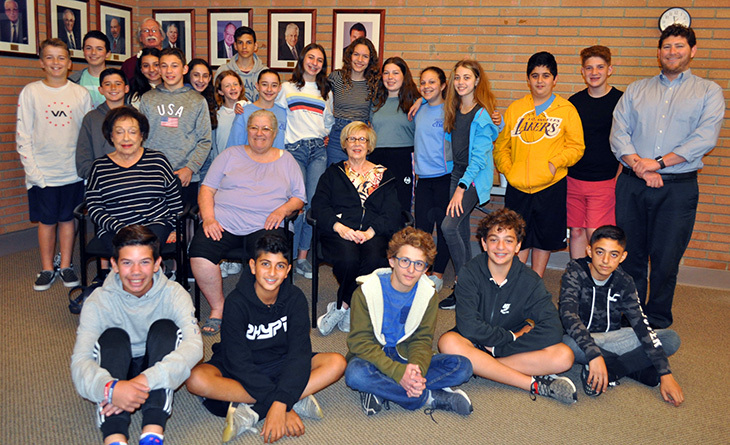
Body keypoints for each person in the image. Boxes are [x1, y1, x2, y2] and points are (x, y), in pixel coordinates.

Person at [609, 24, 724, 329]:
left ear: (692, 51)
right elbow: (619, 133)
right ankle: (629, 314)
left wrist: (656, 164)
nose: (672, 52)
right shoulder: (637, 89)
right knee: (629, 255)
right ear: (659, 52)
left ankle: (657, 318)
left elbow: (704, 138)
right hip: (633, 185)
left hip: (677, 188)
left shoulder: (708, 91)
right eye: (667, 47)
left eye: (679, 46)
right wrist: (640, 166)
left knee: (665, 258)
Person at [186, 233, 346, 443]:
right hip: (240, 367)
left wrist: (279, 403)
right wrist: (281, 403)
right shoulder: (236, 303)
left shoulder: (295, 298)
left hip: (281, 362)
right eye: (265, 264)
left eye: (280, 266)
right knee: (196, 379)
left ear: (288, 269)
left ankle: (255, 411)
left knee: (337, 362)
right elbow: (238, 361)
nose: (272, 273)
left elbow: (298, 354)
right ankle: (292, 398)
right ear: (253, 266)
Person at [70, 225, 203, 445]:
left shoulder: (174, 294)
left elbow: (194, 347)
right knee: (112, 337)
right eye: (127, 263)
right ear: (114, 265)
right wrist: (111, 388)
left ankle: (152, 432)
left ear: (157, 264)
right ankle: (114, 437)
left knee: (166, 329)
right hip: (117, 364)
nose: (136, 272)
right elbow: (80, 361)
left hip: (156, 363)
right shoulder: (97, 301)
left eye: (144, 262)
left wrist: (144, 380)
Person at [438, 209, 577, 404]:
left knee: (564, 356)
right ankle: (532, 383)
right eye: (494, 240)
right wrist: (507, 337)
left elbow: (553, 328)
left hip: (508, 347)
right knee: (447, 342)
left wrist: (499, 349)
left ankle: (484, 368)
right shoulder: (469, 273)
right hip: (474, 340)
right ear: (484, 244)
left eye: (509, 241)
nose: (501, 247)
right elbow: (468, 326)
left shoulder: (530, 281)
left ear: (518, 246)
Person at [188, 109, 305, 336]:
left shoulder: (287, 159)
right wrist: (209, 218)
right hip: (223, 221)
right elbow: (207, 189)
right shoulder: (229, 154)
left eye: (265, 129)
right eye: (254, 127)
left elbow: (299, 198)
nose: (259, 133)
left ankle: (254, 310)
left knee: (266, 260)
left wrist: (282, 210)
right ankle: (218, 308)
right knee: (200, 253)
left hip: (266, 225)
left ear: (274, 133)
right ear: (247, 130)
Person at [345, 227, 474, 416]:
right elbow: (359, 342)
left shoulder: (428, 295)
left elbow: (422, 340)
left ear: (426, 268)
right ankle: (427, 397)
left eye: (419, 264)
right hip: (372, 357)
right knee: (354, 374)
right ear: (392, 261)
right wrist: (399, 373)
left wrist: (415, 372)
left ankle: (382, 390)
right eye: (404, 261)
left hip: (406, 356)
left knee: (463, 367)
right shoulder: (366, 292)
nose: (411, 270)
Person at [559, 225, 684, 406]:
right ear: (589, 251)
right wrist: (594, 354)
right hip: (581, 339)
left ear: (623, 257)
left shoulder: (624, 281)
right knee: (565, 345)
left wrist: (666, 374)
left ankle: (613, 371)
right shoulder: (575, 272)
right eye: (600, 252)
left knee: (671, 338)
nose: (605, 260)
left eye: (614, 255)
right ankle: (634, 370)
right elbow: (568, 316)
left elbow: (641, 323)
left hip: (613, 339)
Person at [493, 51, 585, 277]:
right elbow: (501, 146)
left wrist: (555, 164)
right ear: (528, 79)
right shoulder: (516, 109)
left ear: (555, 79)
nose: (540, 81)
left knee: (543, 238)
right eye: (535, 75)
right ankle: (514, 283)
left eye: (546, 75)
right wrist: (508, 169)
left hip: (550, 186)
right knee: (516, 237)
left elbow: (576, 147)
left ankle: (535, 281)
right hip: (518, 187)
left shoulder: (566, 110)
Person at [310, 122, 401, 336]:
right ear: (344, 144)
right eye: (352, 139)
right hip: (340, 232)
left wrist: (370, 231)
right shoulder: (333, 173)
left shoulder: (384, 175)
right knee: (348, 260)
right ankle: (353, 305)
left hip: (373, 233)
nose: (357, 144)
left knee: (374, 259)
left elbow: (393, 211)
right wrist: (339, 227)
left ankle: (343, 306)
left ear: (370, 145)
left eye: (362, 139)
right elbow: (319, 205)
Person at [16, 38, 91, 291]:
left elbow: (86, 135)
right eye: (50, 57)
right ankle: (47, 268)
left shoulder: (79, 94)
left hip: (72, 172)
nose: (56, 62)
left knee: (68, 220)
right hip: (43, 174)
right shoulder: (31, 92)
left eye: (61, 58)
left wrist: (84, 170)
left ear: (69, 64)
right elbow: (23, 135)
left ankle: (66, 265)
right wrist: (33, 172)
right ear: (41, 62)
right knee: (47, 221)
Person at [438, 60, 501, 310]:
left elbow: (478, 159)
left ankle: (463, 283)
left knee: (448, 226)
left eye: (467, 77)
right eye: (457, 77)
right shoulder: (453, 109)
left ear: (476, 81)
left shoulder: (483, 115)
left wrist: (461, 188)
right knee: (461, 228)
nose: (461, 82)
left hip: (473, 178)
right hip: (457, 173)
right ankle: (469, 287)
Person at [86, 106, 183, 256]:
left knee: (142, 251)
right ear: (111, 136)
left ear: (141, 135)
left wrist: (177, 228)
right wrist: (119, 227)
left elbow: (173, 199)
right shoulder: (99, 167)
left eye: (132, 132)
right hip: (114, 228)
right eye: (119, 132)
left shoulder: (158, 160)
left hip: (155, 224)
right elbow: (94, 207)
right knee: (127, 254)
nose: (126, 138)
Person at [275, 43, 334, 281]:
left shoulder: (325, 91)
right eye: (311, 57)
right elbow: (276, 116)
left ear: (323, 65)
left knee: (312, 207)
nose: (315, 63)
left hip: (318, 151)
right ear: (302, 60)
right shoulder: (286, 88)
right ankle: (286, 255)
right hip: (294, 151)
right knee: (295, 205)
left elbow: (328, 121)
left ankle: (302, 258)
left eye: (320, 60)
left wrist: (320, 135)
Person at [567, 46, 623, 259]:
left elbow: (627, 142)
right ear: (582, 72)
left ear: (610, 69)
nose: (594, 72)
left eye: (600, 67)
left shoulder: (621, 101)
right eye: (589, 68)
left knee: (597, 235)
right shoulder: (574, 103)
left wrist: (618, 177)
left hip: (605, 181)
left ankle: (597, 282)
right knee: (577, 231)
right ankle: (578, 279)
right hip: (574, 179)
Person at [139, 48, 212, 208]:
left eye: (174, 66)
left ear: (184, 69)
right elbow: (140, 138)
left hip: (185, 176)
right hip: (152, 175)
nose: (169, 71)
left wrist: (190, 169)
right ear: (158, 69)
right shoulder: (148, 99)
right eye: (164, 66)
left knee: (183, 226)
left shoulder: (197, 101)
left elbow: (205, 141)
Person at [413, 66, 450, 293]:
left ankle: (438, 274)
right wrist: (420, 100)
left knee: (444, 228)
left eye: (432, 82)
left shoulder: (450, 110)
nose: (427, 87)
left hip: (445, 178)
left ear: (443, 85)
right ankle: (424, 270)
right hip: (424, 179)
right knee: (423, 228)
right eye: (423, 83)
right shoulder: (419, 109)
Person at [369, 56, 420, 215]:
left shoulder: (415, 102)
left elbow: (441, 98)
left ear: (404, 76)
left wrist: (422, 100)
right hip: (376, 159)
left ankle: (400, 240)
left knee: (401, 208)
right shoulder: (375, 102)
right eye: (386, 73)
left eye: (395, 73)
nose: (390, 77)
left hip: (403, 158)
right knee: (377, 206)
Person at [326, 37, 379, 166]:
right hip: (337, 136)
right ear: (349, 56)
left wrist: (421, 101)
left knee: (358, 181)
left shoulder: (374, 83)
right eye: (356, 54)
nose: (360, 60)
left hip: (361, 138)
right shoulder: (336, 77)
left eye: (365, 56)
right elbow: (318, 97)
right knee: (336, 178)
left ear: (370, 60)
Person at [76, 67, 129, 180]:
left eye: (118, 83)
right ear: (101, 89)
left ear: (126, 88)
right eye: (107, 84)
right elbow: (83, 157)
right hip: (101, 184)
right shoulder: (91, 118)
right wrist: (99, 177)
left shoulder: (137, 117)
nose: (113, 88)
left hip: (133, 182)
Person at [228, 69, 287, 152]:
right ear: (257, 86)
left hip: (277, 163)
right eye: (264, 84)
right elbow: (234, 146)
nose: (269, 89)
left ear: (279, 88)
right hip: (249, 163)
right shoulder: (243, 112)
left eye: (274, 85)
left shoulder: (284, 112)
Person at [214, 26, 266, 103]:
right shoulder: (223, 70)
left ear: (255, 46)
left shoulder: (264, 73)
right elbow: (217, 100)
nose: (244, 47)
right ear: (235, 46)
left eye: (248, 42)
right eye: (240, 42)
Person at [69, 31, 111, 108]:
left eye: (99, 49)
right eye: (88, 48)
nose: (93, 53)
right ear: (84, 51)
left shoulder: (120, 81)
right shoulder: (73, 81)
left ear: (108, 53)